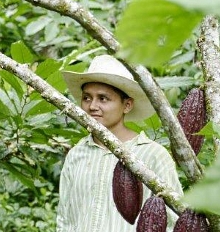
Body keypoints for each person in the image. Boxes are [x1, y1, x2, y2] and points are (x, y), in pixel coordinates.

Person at [56, 54, 183, 232]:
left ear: (127, 105)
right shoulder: (76, 154)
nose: (92, 106)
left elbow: (174, 221)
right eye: (86, 98)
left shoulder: (153, 156)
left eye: (103, 98)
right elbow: (65, 219)